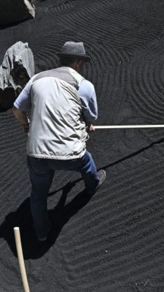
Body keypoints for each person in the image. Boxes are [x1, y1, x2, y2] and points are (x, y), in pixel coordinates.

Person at [12, 41, 107, 241]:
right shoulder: (84, 85)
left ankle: (41, 232)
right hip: (71, 155)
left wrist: (26, 125)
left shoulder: (38, 79)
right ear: (79, 63)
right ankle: (92, 184)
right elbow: (92, 118)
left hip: (37, 155)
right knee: (87, 162)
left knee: (38, 194)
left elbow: (17, 110)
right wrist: (86, 122)